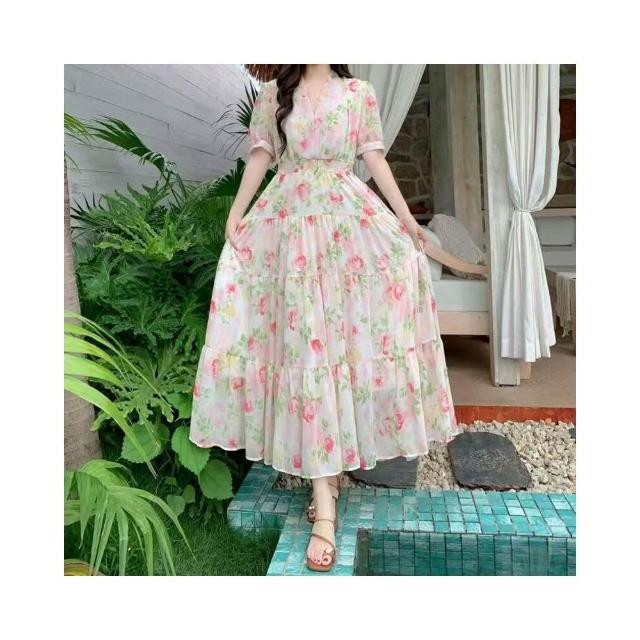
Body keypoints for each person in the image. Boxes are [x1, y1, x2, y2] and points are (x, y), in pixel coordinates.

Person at [190, 64, 460, 572]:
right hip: (288, 232)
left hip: (344, 230)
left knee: (339, 352)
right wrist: (236, 215)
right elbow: (261, 155)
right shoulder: (275, 93)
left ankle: (329, 476)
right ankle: (324, 502)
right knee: (307, 354)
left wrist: (406, 220)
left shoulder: (359, 93)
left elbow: (373, 157)